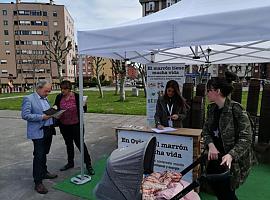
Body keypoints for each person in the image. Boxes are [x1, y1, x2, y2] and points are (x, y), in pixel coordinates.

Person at [202, 71, 253, 200]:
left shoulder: (236, 109)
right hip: (215, 158)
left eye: (209, 90)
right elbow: (206, 131)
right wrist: (211, 145)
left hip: (232, 162)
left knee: (227, 193)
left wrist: (231, 155)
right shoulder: (212, 109)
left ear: (217, 91)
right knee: (218, 190)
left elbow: (246, 138)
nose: (207, 93)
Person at [21, 80, 57, 194]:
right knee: (39, 155)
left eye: (49, 91)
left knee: (44, 153)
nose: (48, 93)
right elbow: (25, 115)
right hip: (38, 132)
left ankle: (44, 172)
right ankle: (38, 182)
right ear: (39, 88)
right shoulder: (29, 99)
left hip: (48, 130)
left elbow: (47, 112)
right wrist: (42, 117)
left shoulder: (45, 98)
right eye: (46, 91)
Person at [54, 80, 95, 175]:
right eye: (61, 89)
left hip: (76, 125)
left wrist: (84, 105)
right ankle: (70, 162)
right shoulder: (59, 97)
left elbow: (84, 110)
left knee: (80, 144)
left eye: (65, 89)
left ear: (69, 89)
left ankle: (88, 165)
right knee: (68, 144)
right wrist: (55, 111)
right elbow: (56, 107)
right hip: (64, 125)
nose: (63, 91)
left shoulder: (77, 96)